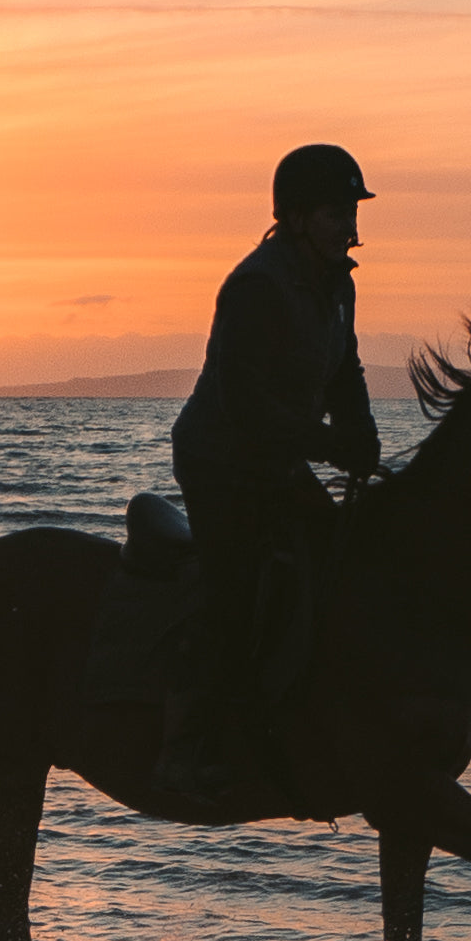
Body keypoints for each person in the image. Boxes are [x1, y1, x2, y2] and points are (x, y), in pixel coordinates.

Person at [162, 142, 381, 810]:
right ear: (294, 216)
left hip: (276, 459)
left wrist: (362, 433)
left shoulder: (336, 282)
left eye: (350, 208)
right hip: (221, 461)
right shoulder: (257, 284)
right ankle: (186, 746)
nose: (348, 222)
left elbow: (345, 371)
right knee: (236, 589)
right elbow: (245, 402)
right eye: (335, 210)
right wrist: (326, 445)